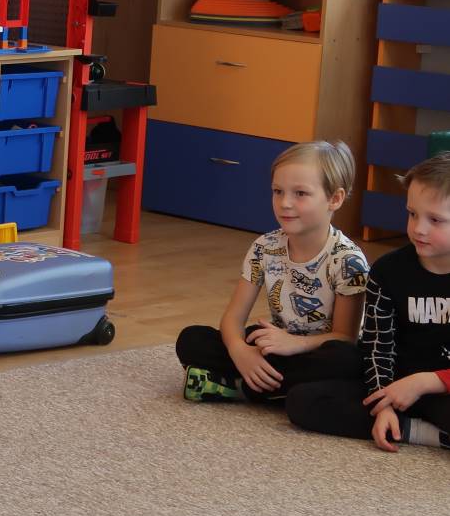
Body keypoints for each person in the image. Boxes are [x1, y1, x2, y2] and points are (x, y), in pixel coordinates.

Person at [175, 141, 368, 402]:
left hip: (317, 352)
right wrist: (240, 351)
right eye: (278, 191)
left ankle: (239, 387)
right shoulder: (264, 246)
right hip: (276, 347)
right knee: (191, 339)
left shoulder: (348, 261)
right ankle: (272, 387)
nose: (285, 203)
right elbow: (233, 319)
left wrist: (294, 343)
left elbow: (345, 338)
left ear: (335, 198)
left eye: (300, 193)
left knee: (347, 360)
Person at [286, 153, 450, 451]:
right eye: (412, 214)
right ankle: (405, 426)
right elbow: (378, 346)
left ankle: (416, 431)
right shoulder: (388, 271)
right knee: (304, 401)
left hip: (442, 388)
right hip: (393, 386)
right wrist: (383, 404)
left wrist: (425, 382)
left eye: (435, 220)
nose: (418, 228)